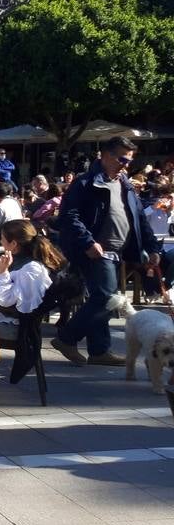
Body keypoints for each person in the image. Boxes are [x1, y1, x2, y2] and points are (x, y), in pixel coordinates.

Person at [54, 136, 161, 366]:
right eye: (122, 159)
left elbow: (139, 219)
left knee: (102, 298)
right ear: (105, 155)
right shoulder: (85, 182)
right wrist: (88, 242)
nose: (126, 164)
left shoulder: (126, 184)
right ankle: (67, 338)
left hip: (116, 251)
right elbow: (68, 217)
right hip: (95, 251)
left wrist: (152, 247)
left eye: (130, 160)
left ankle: (99, 350)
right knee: (107, 298)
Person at [0, 219, 65, 341]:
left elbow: (6, 300)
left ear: (13, 244)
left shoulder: (32, 269)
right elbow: (8, 286)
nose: (0, 241)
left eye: (2, 238)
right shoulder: (20, 261)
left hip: (15, 326)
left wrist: (2, 272)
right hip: (7, 317)